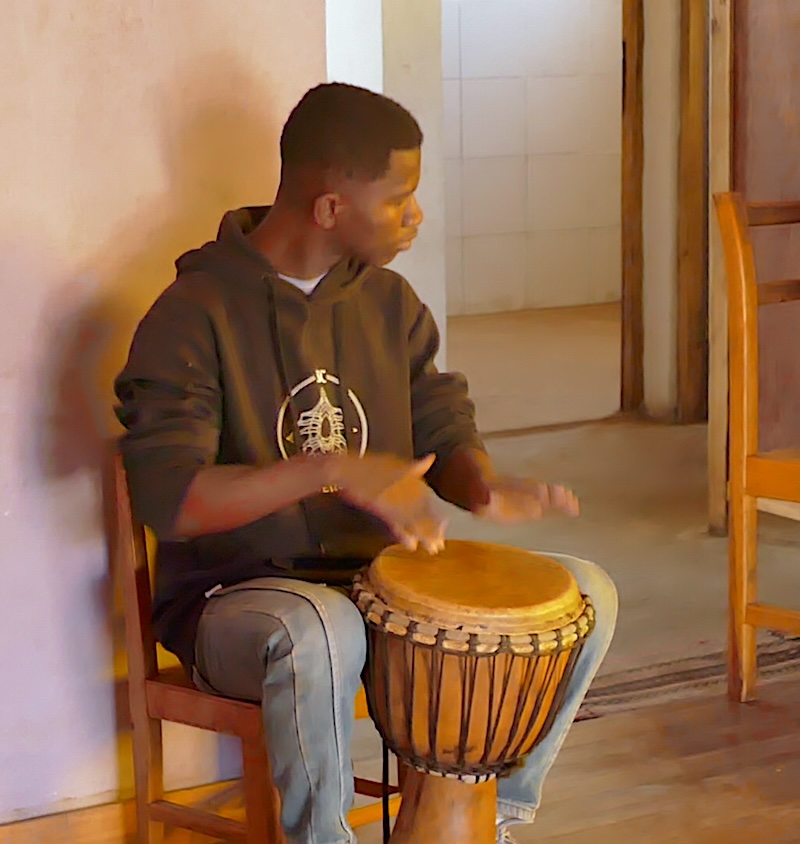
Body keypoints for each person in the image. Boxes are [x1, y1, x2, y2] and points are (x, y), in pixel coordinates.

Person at [114, 82, 617, 842]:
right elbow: (174, 500)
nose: (416, 215)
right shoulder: (191, 315)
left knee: (586, 595)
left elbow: (438, 421)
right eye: (399, 198)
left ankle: (494, 818)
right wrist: (336, 468)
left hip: (372, 591)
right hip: (236, 604)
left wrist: (477, 480)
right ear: (328, 208)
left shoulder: (389, 304)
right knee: (320, 627)